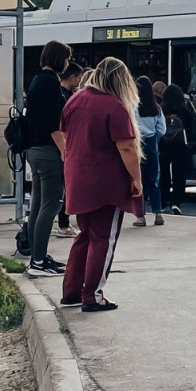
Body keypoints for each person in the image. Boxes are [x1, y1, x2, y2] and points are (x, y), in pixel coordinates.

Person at [59, 57, 144, 311]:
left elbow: (65, 136)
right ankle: (93, 296)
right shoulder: (113, 104)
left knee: (84, 236)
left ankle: (72, 291)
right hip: (106, 182)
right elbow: (127, 146)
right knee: (103, 239)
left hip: (77, 178)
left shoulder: (75, 99)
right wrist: (136, 178)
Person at [24, 40, 72, 278]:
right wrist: (66, 153)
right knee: (51, 204)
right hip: (48, 150)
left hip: (33, 149)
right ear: (58, 58)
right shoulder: (52, 83)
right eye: (66, 58)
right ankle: (39, 262)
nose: (67, 63)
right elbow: (53, 124)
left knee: (37, 205)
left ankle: (36, 256)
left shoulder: (36, 80)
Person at [55, 62, 84, 238]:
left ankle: (63, 222)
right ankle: (64, 224)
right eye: (78, 78)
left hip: (62, 146)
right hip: (64, 146)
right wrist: (64, 149)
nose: (79, 82)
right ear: (72, 77)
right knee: (65, 188)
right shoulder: (64, 96)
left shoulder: (63, 94)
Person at [133, 76, 167, 227]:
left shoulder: (133, 106)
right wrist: (155, 139)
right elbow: (162, 129)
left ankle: (140, 216)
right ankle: (158, 213)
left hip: (137, 144)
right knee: (153, 181)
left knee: (138, 180)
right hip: (152, 143)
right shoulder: (156, 108)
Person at [159, 84, 195, 215]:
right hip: (181, 146)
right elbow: (191, 128)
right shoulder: (184, 110)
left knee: (164, 173)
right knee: (179, 174)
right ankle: (176, 202)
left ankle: (163, 201)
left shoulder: (161, 110)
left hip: (164, 145)